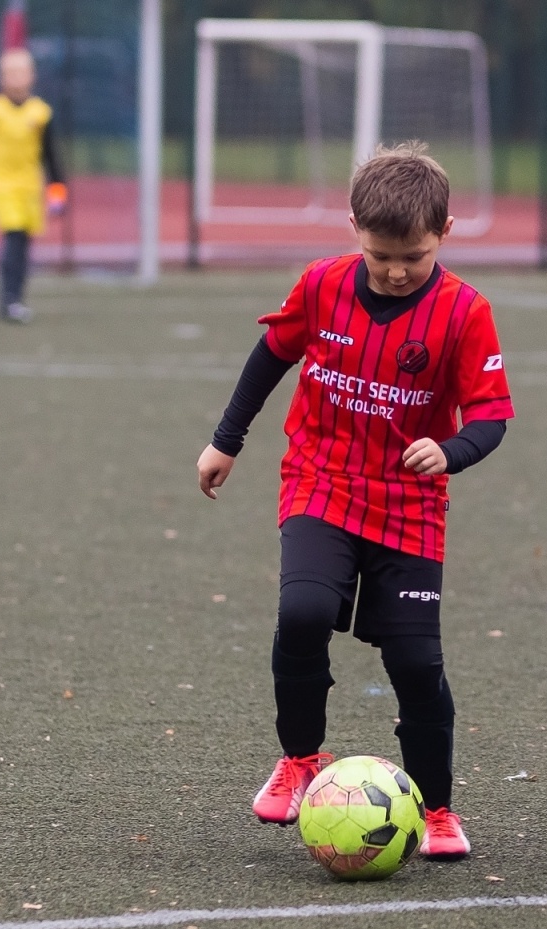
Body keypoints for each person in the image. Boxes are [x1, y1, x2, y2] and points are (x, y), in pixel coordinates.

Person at [195, 143, 513, 860]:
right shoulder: (321, 285)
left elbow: (492, 416)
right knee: (303, 612)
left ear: (447, 233)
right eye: (381, 257)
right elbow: (272, 356)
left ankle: (435, 809)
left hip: (409, 504)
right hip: (322, 480)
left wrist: (451, 451)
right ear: (353, 230)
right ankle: (301, 759)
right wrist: (226, 440)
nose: (398, 272)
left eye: (416, 256)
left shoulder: (466, 312)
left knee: (415, 665)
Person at [0, 48, 67, 324]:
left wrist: (57, 189)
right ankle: (8, 298)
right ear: (2, 77)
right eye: (11, 73)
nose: (17, 78)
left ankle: (17, 297)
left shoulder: (40, 113)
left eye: (22, 72)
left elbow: (50, 156)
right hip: (1, 182)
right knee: (13, 236)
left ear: (32, 76)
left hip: (29, 184)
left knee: (24, 241)